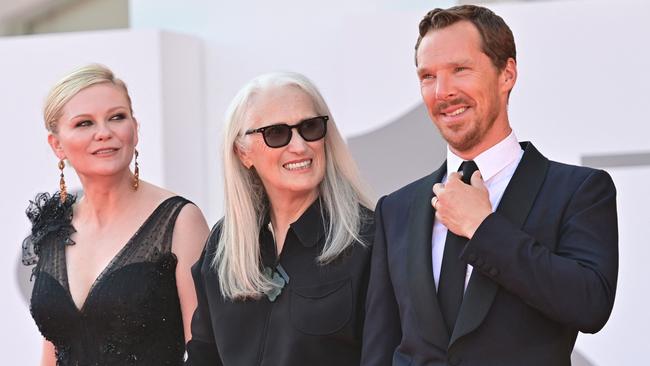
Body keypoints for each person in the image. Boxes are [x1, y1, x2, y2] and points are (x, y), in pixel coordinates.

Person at [361, 5, 618, 366]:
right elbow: (380, 344)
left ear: (506, 73)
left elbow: (590, 304)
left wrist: (483, 228)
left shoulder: (578, 191)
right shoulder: (396, 209)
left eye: (460, 70)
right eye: (428, 76)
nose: (442, 91)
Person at [22, 64, 210, 366]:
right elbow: (53, 350)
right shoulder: (53, 226)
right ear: (57, 145)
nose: (104, 133)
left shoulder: (179, 221)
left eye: (117, 118)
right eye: (84, 123)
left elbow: (206, 351)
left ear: (134, 130)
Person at [186, 72, 374, 366]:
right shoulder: (222, 246)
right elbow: (203, 357)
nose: (299, 146)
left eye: (310, 127)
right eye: (276, 133)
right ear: (243, 152)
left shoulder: (367, 238)